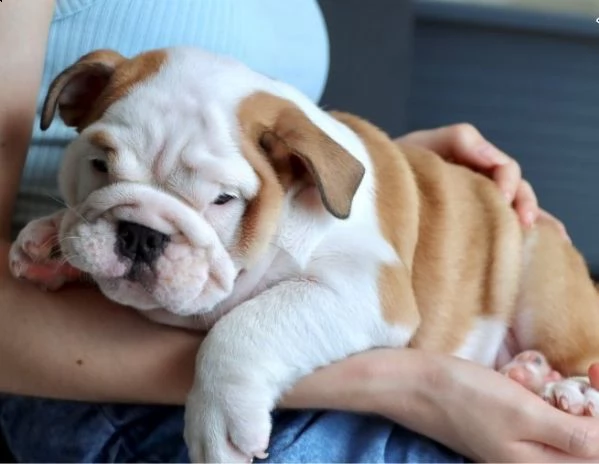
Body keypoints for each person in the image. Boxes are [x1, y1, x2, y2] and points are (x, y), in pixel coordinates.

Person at [1, 0, 599, 462]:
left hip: (388, 280)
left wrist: (404, 175)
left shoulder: (289, 171)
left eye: (217, 199)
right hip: (103, 381)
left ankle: (572, 372)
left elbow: (276, 159)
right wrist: (418, 385)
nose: (142, 235)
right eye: (105, 166)